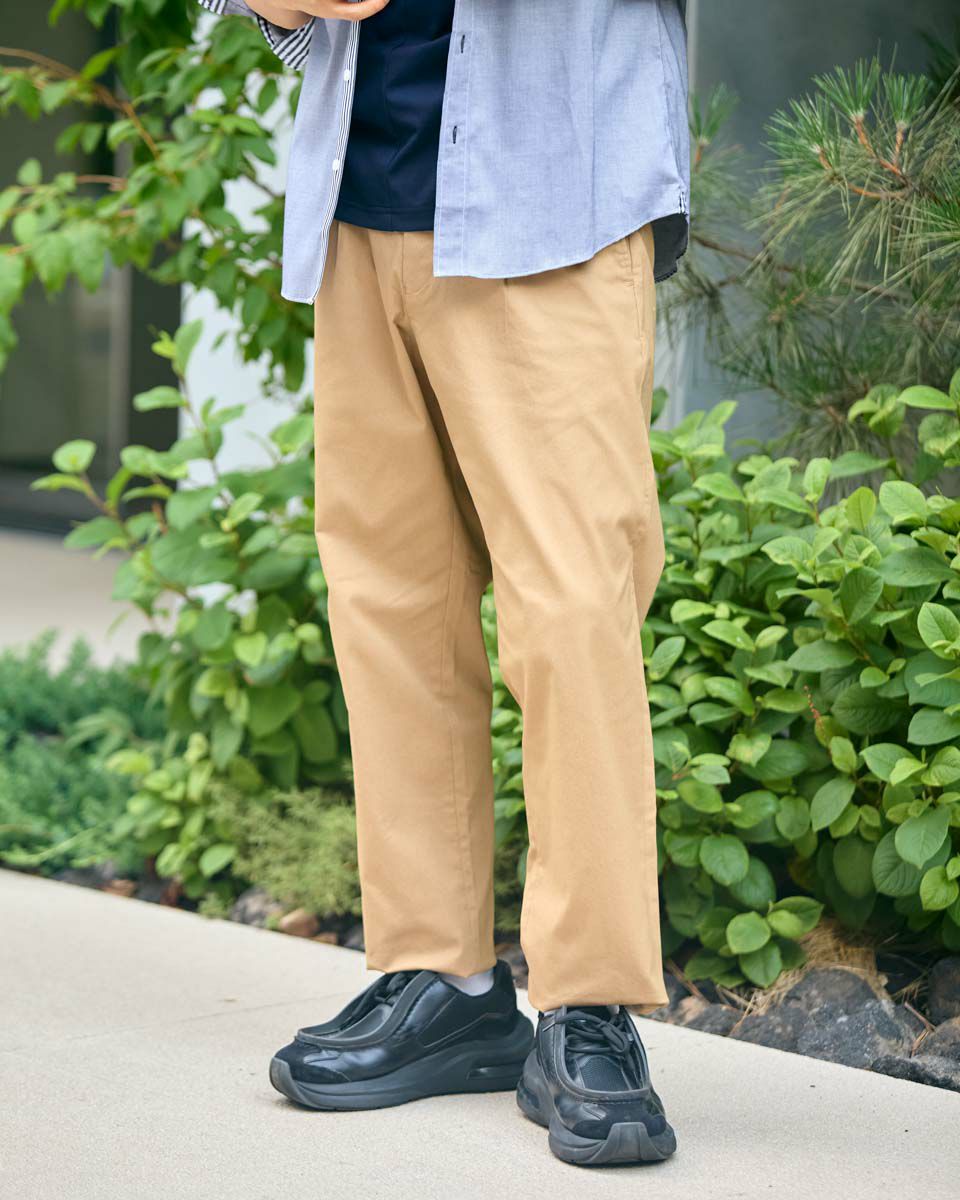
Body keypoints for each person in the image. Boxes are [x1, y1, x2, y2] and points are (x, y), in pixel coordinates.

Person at [195, 0, 688, 1167]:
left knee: (572, 609)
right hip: (362, 193)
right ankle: (441, 978)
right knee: (392, 607)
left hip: (554, 196)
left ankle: (589, 1004)